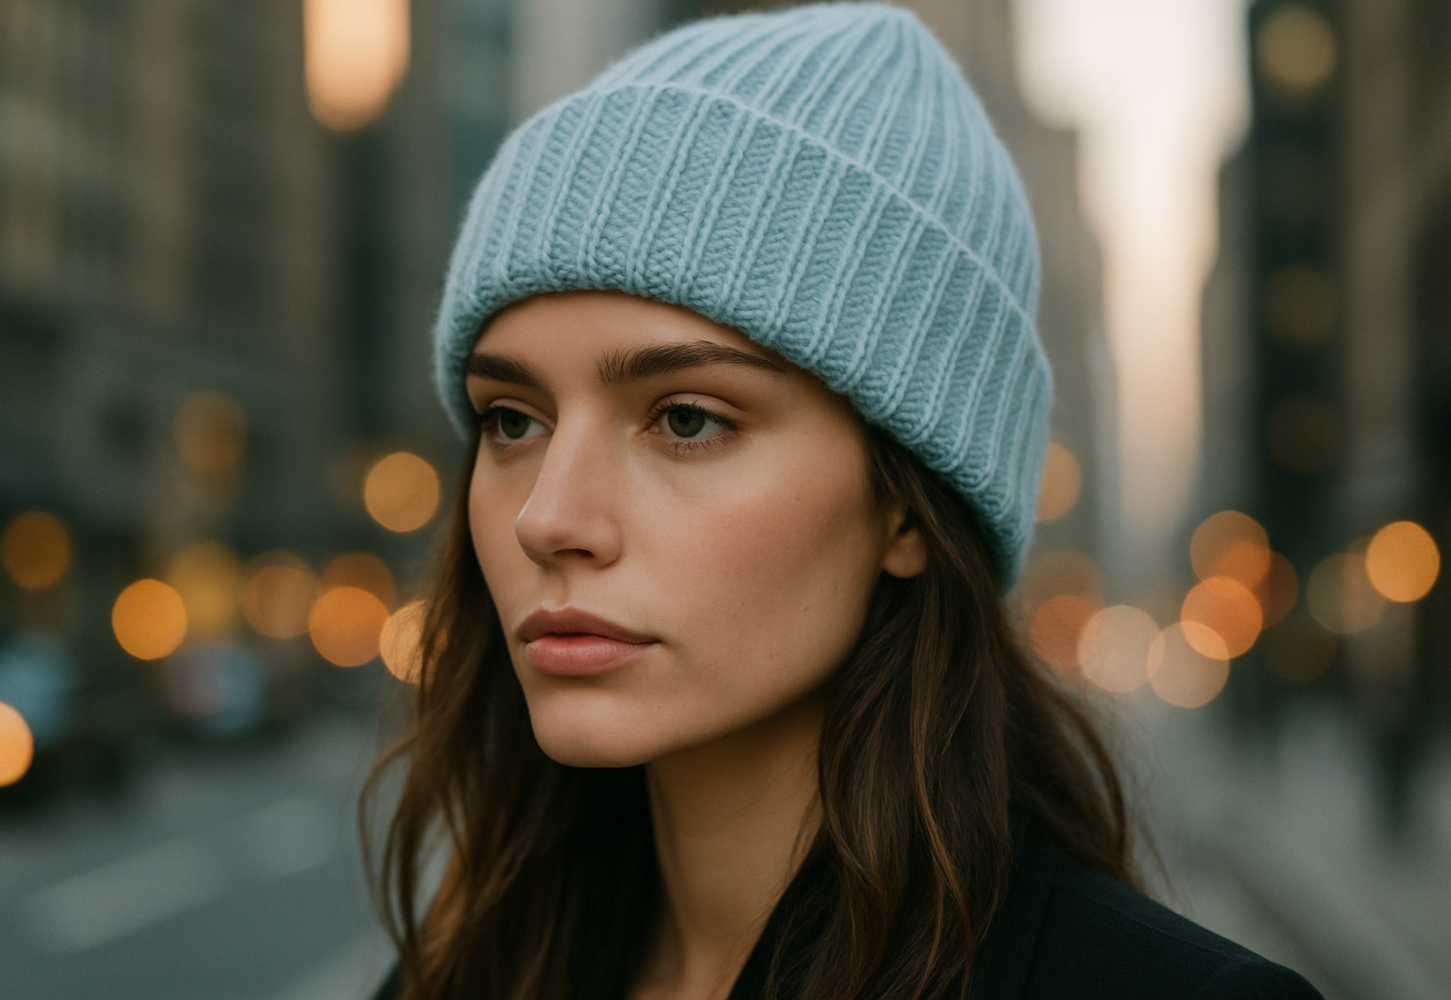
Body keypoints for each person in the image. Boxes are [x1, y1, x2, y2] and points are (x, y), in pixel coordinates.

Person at [366, 5, 1323, 998]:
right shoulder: (456, 974)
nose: (547, 517)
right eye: (513, 420)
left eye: (686, 420)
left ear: (907, 509)